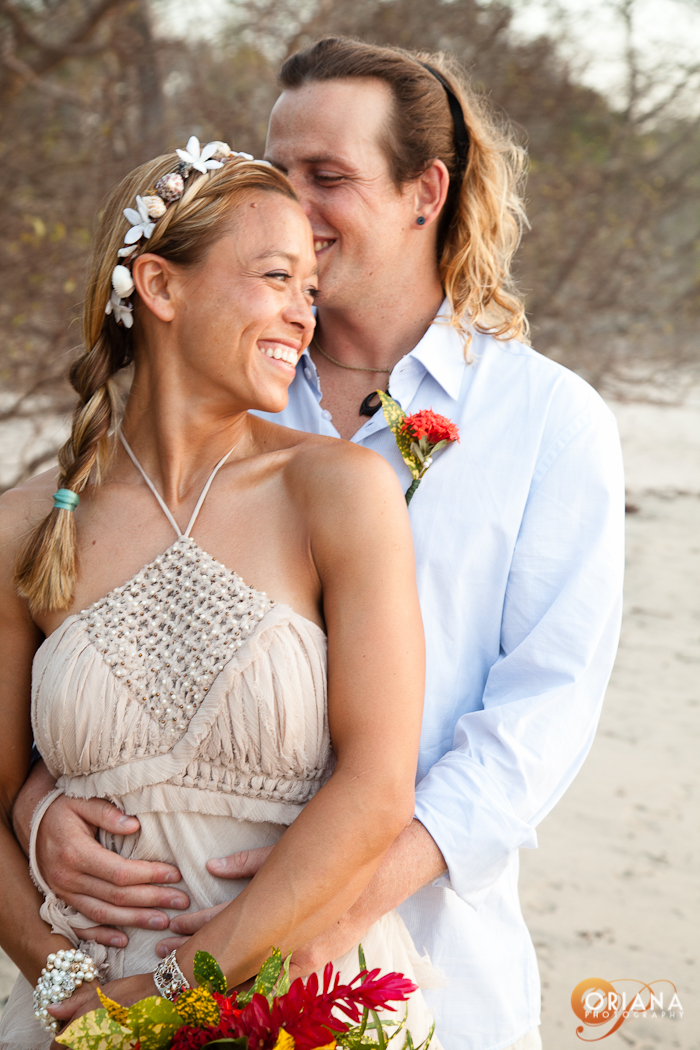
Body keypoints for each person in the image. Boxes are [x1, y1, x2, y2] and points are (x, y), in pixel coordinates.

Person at [12, 39, 626, 1050]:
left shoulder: (547, 423)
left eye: (325, 176)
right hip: (151, 934)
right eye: (276, 167)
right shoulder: (223, 375)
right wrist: (45, 801)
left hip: (404, 957)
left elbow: (536, 726)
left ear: (425, 191)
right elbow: (99, 633)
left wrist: (317, 922)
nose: (289, 200)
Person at [0, 140, 441, 1049]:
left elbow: (376, 788)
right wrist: (77, 996)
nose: (302, 313)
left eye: (310, 292)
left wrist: (170, 994)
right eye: (277, 277)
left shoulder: (337, 493)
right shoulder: (25, 526)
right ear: (159, 288)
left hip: (293, 1002)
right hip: (83, 1015)